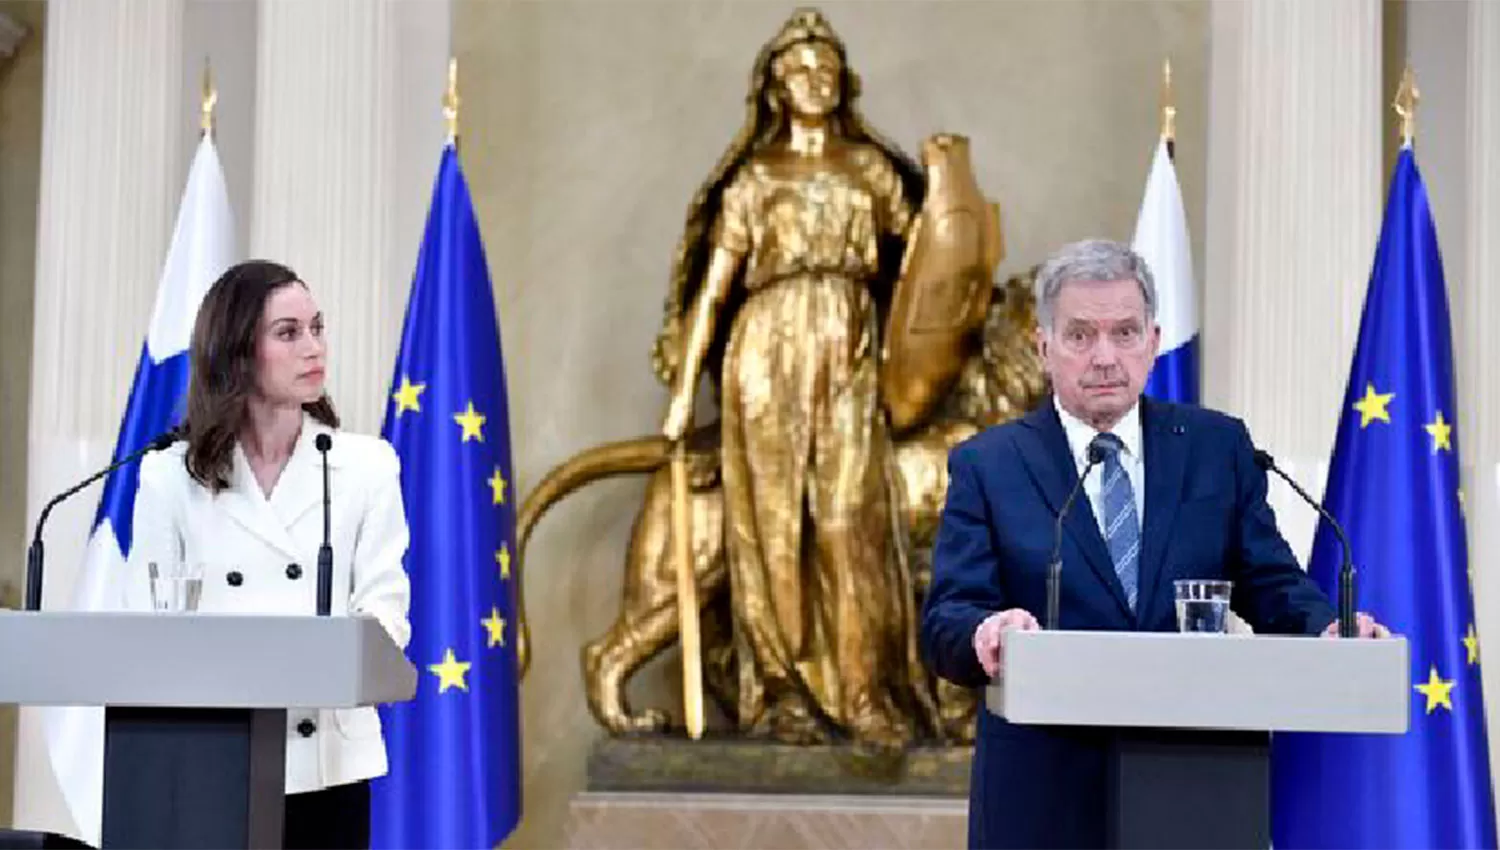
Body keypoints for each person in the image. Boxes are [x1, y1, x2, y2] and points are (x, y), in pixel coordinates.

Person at [919, 239, 1389, 849]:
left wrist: (1329, 628)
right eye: (1080, 336)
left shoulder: (1216, 447)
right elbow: (947, 618)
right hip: (1044, 795)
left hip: (1194, 784)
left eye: (1124, 332)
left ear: (1154, 340)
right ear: (1043, 347)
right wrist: (986, 631)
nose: (1105, 357)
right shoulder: (990, 464)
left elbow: (1272, 583)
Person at [654, 8, 933, 746]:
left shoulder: (869, 170)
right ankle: (782, 693)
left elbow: (927, 261)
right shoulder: (755, 178)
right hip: (766, 347)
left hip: (848, 342)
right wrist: (684, 392)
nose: (815, 80)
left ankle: (865, 691)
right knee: (770, 525)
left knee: (849, 521)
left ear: (844, 84)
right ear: (775, 86)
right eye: (800, 68)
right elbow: (715, 288)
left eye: (827, 68)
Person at [126, 259, 412, 849]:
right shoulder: (167, 476)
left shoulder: (366, 465)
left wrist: (326, 659)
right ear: (236, 351)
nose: (314, 347)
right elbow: (146, 623)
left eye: (318, 327)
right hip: (209, 758)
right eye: (288, 332)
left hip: (327, 762)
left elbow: (387, 609)